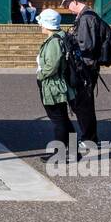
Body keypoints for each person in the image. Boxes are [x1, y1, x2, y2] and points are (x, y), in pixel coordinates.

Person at [60, 0, 102, 145]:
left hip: (85, 68)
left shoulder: (85, 18)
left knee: (83, 104)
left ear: (75, 1)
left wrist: (71, 42)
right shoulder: (87, 16)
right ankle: (89, 137)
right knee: (83, 103)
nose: (66, 7)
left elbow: (86, 46)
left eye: (67, 4)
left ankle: (89, 139)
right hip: (87, 67)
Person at [35, 8, 74, 151]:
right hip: (58, 84)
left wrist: (40, 75)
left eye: (41, 23)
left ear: (46, 24)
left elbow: (51, 66)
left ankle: (60, 153)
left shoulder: (53, 42)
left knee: (58, 120)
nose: (40, 26)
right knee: (62, 118)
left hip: (53, 85)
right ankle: (73, 150)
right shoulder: (60, 37)